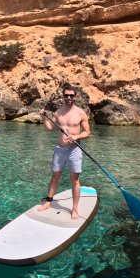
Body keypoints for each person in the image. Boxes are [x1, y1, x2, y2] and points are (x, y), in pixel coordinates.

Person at [37, 84, 91, 219]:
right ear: (63, 96)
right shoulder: (58, 112)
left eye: (71, 95)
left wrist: (77, 136)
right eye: (66, 95)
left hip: (74, 150)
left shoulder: (80, 113)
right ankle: (48, 202)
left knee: (75, 180)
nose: (69, 97)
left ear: (75, 96)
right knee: (55, 176)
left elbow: (87, 132)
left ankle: (75, 209)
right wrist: (44, 118)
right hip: (60, 149)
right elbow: (49, 128)